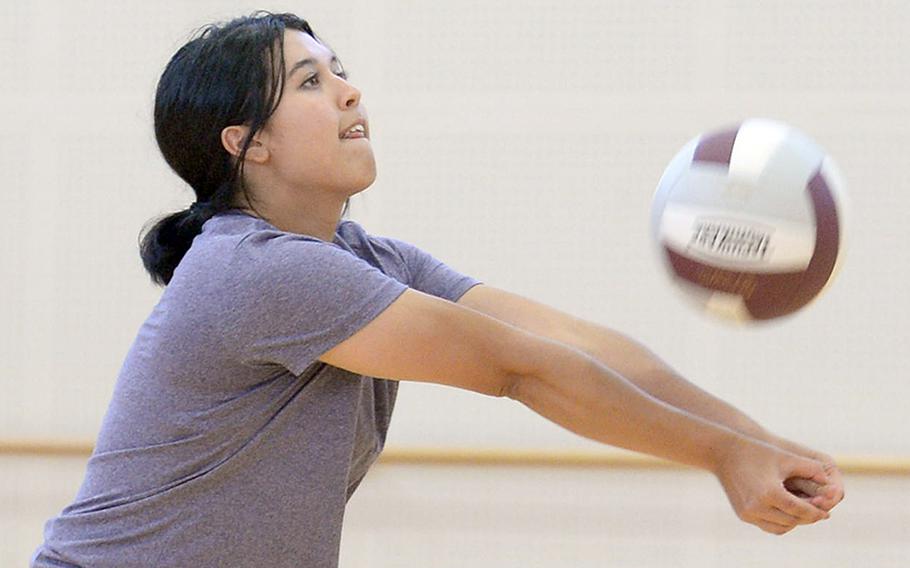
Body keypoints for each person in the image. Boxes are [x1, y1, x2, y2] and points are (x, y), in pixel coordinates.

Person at [31, 10, 844, 568]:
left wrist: (754, 440)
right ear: (246, 144)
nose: (351, 92)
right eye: (310, 83)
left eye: (340, 71)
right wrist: (721, 455)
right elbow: (521, 368)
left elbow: (574, 343)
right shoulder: (259, 271)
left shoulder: (369, 260)